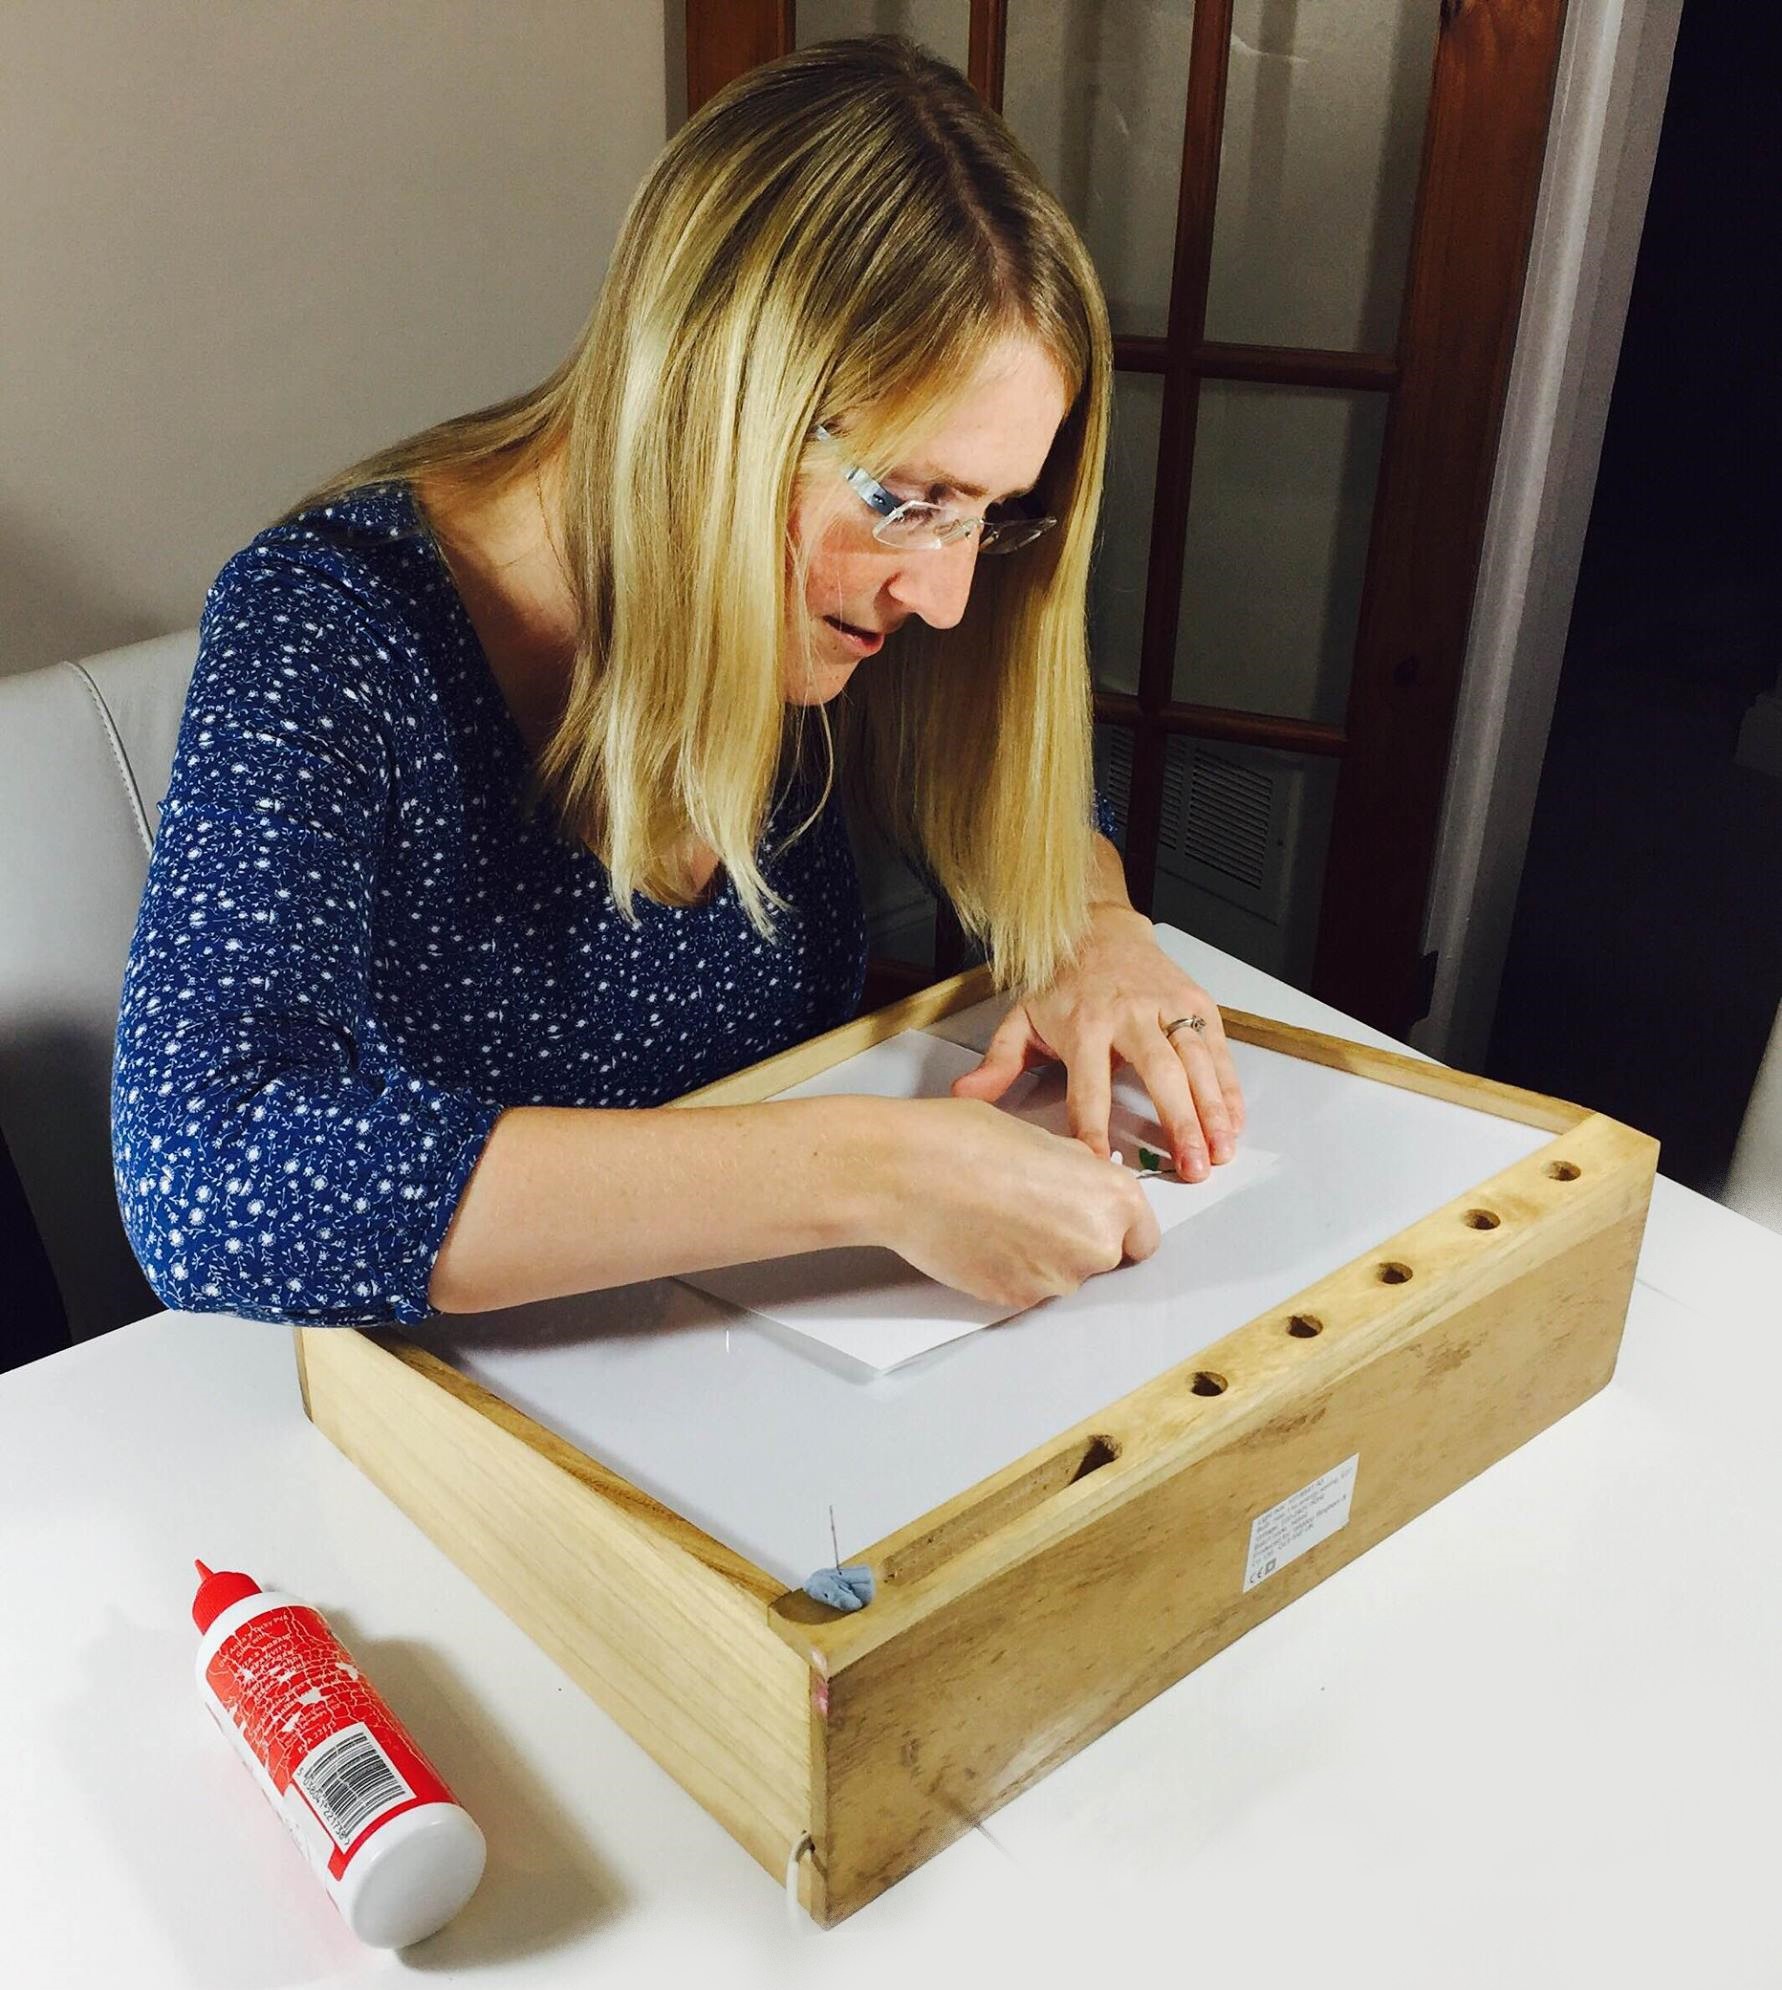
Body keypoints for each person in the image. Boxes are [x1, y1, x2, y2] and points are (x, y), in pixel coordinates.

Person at [111, 33, 1243, 1332]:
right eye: (912, 498)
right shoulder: (330, 625)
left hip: (754, 1352)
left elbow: (1003, 765)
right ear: (714, 399)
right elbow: (212, 1179)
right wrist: (870, 1171)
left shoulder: (830, 590)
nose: (940, 596)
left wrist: (1088, 921)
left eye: (987, 515)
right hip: (455, 1403)